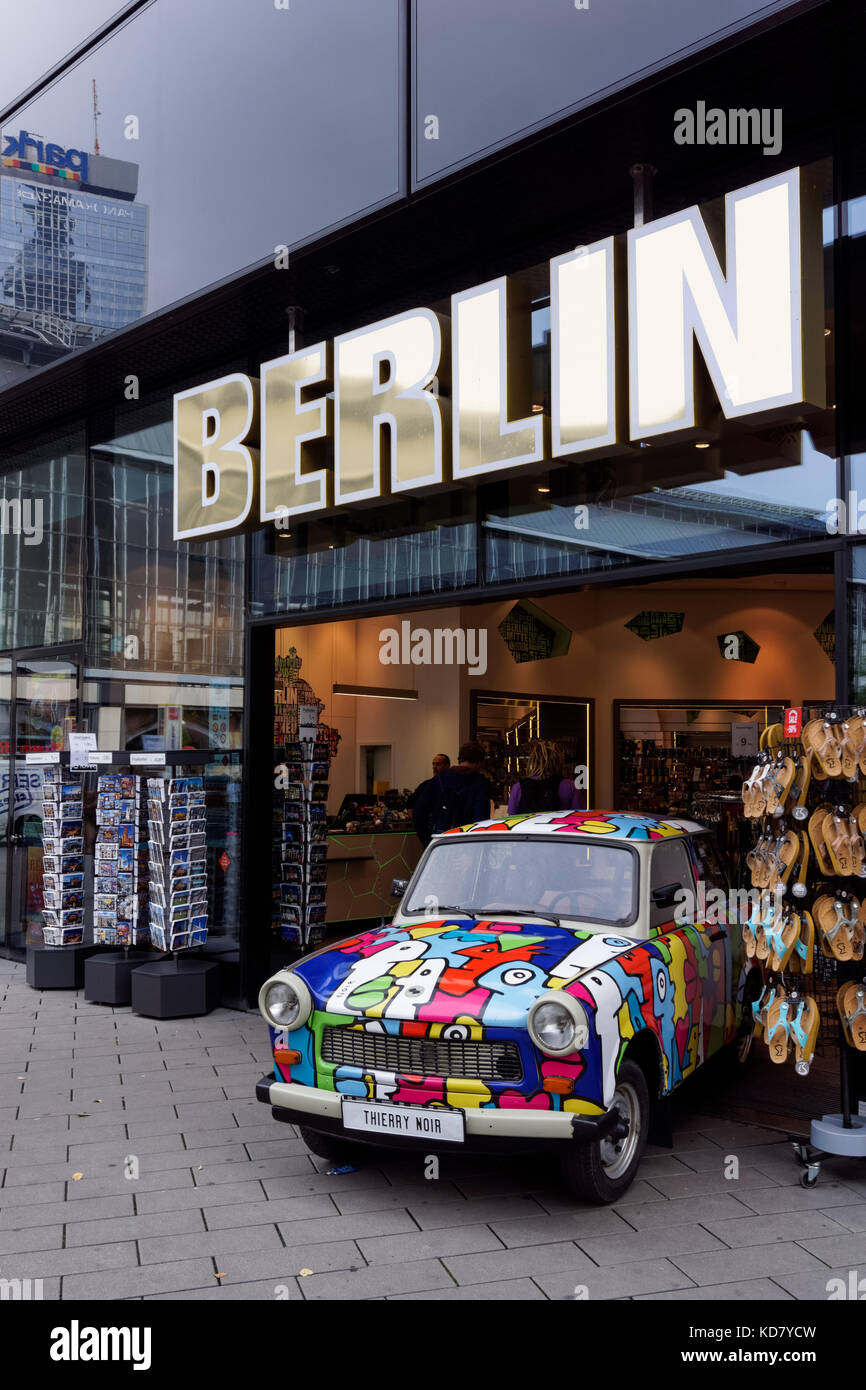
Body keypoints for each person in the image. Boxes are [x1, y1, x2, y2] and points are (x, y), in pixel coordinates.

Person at [413, 741, 493, 842]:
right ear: (479, 763)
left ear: (459, 759)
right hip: (468, 843)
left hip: (442, 841)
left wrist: (428, 842)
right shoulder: (480, 783)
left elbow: (418, 814)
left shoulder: (439, 779)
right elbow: (481, 821)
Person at [507, 739, 583, 814]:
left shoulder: (518, 787)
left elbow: (511, 821)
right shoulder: (569, 786)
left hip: (527, 826)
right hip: (559, 826)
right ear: (558, 760)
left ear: (532, 761)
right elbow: (579, 817)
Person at [409, 753, 451, 846]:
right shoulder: (426, 785)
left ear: (447, 766)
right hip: (430, 832)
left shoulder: (451, 785)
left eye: (438, 764)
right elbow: (410, 803)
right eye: (433, 764)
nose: (435, 767)